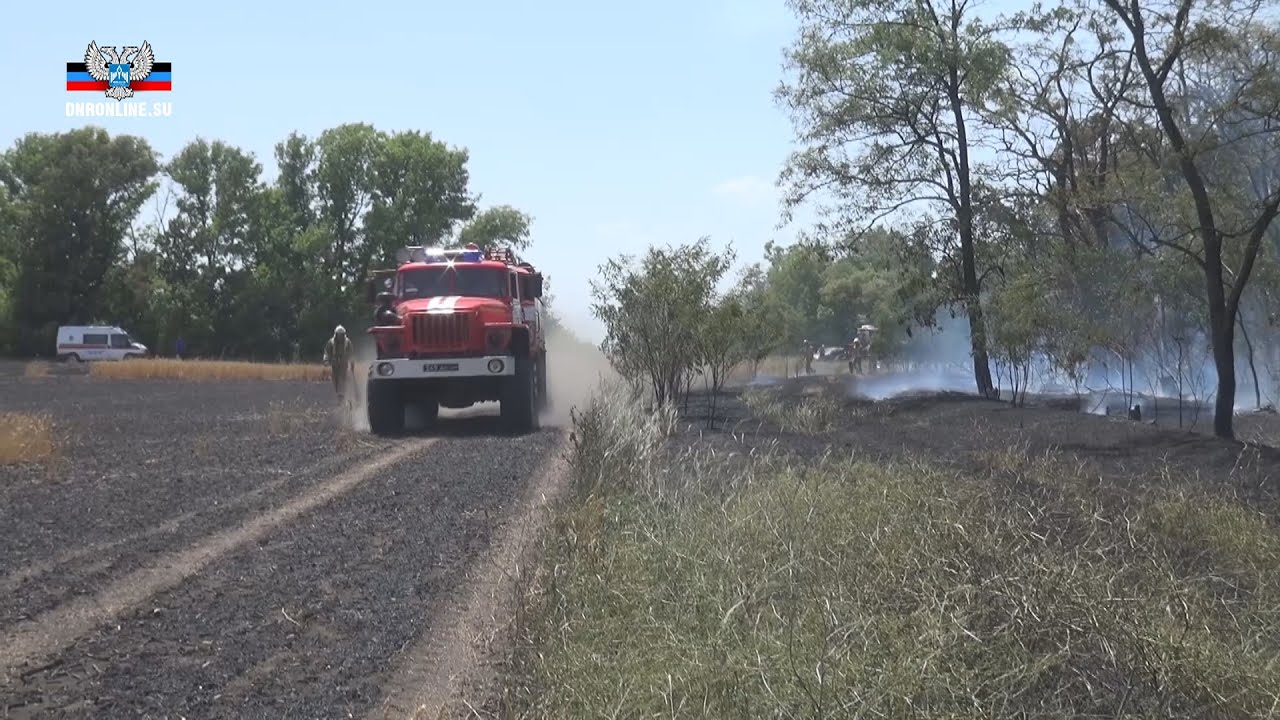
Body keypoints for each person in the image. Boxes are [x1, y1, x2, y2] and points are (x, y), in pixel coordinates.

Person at [323, 325, 355, 400]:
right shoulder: (331, 342)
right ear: (336, 334)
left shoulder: (347, 342)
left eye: (341, 334)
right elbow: (327, 352)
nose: (340, 336)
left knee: (342, 377)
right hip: (334, 363)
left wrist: (352, 363)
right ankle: (339, 393)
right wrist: (326, 360)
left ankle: (342, 393)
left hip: (344, 363)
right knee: (335, 379)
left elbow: (351, 353)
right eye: (339, 334)